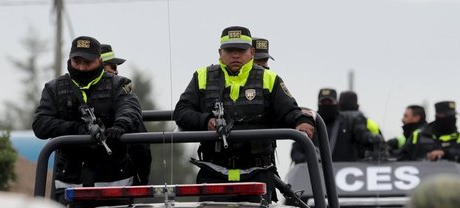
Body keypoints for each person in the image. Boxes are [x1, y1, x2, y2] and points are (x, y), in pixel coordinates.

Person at [174, 25, 314, 191]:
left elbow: (289, 111)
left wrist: (303, 121)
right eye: (229, 50)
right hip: (213, 172)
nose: (235, 55)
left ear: (252, 53)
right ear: (220, 53)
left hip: (258, 173)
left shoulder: (269, 79)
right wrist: (207, 121)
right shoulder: (201, 77)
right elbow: (181, 111)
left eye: (241, 50)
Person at [33, 36, 142, 204]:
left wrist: (119, 126)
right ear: (69, 60)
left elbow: (130, 109)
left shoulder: (118, 85)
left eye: (88, 62)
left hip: (113, 180)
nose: (82, 68)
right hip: (70, 181)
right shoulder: (54, 88)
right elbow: (40, 124)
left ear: (99, 60)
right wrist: (76, 129)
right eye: (77, 61)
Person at [99, 43, 151, 185]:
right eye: (113, 67)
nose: (116, 72)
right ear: (100, 65)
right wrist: (141, 179)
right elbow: (142, 148)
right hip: (119, 181)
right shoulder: (121, 96)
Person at [291, 88, 382, 163]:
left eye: (330, 102)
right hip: (316, 178)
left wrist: (375, 139)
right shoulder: (309, 123)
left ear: (336, 103)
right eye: (323, 102)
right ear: (318, 104)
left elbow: (362, 136)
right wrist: (310, 161)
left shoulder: (348, 123)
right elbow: (296, 152)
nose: (326, 105)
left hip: (346, 176)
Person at [406, 100, 460, 164]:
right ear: (437, 115)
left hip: (451, 176)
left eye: (453, 116)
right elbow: (403, 155)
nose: (452, 119)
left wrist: (445, 153)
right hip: (421, 175)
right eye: (447, 116)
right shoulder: (419, 135)